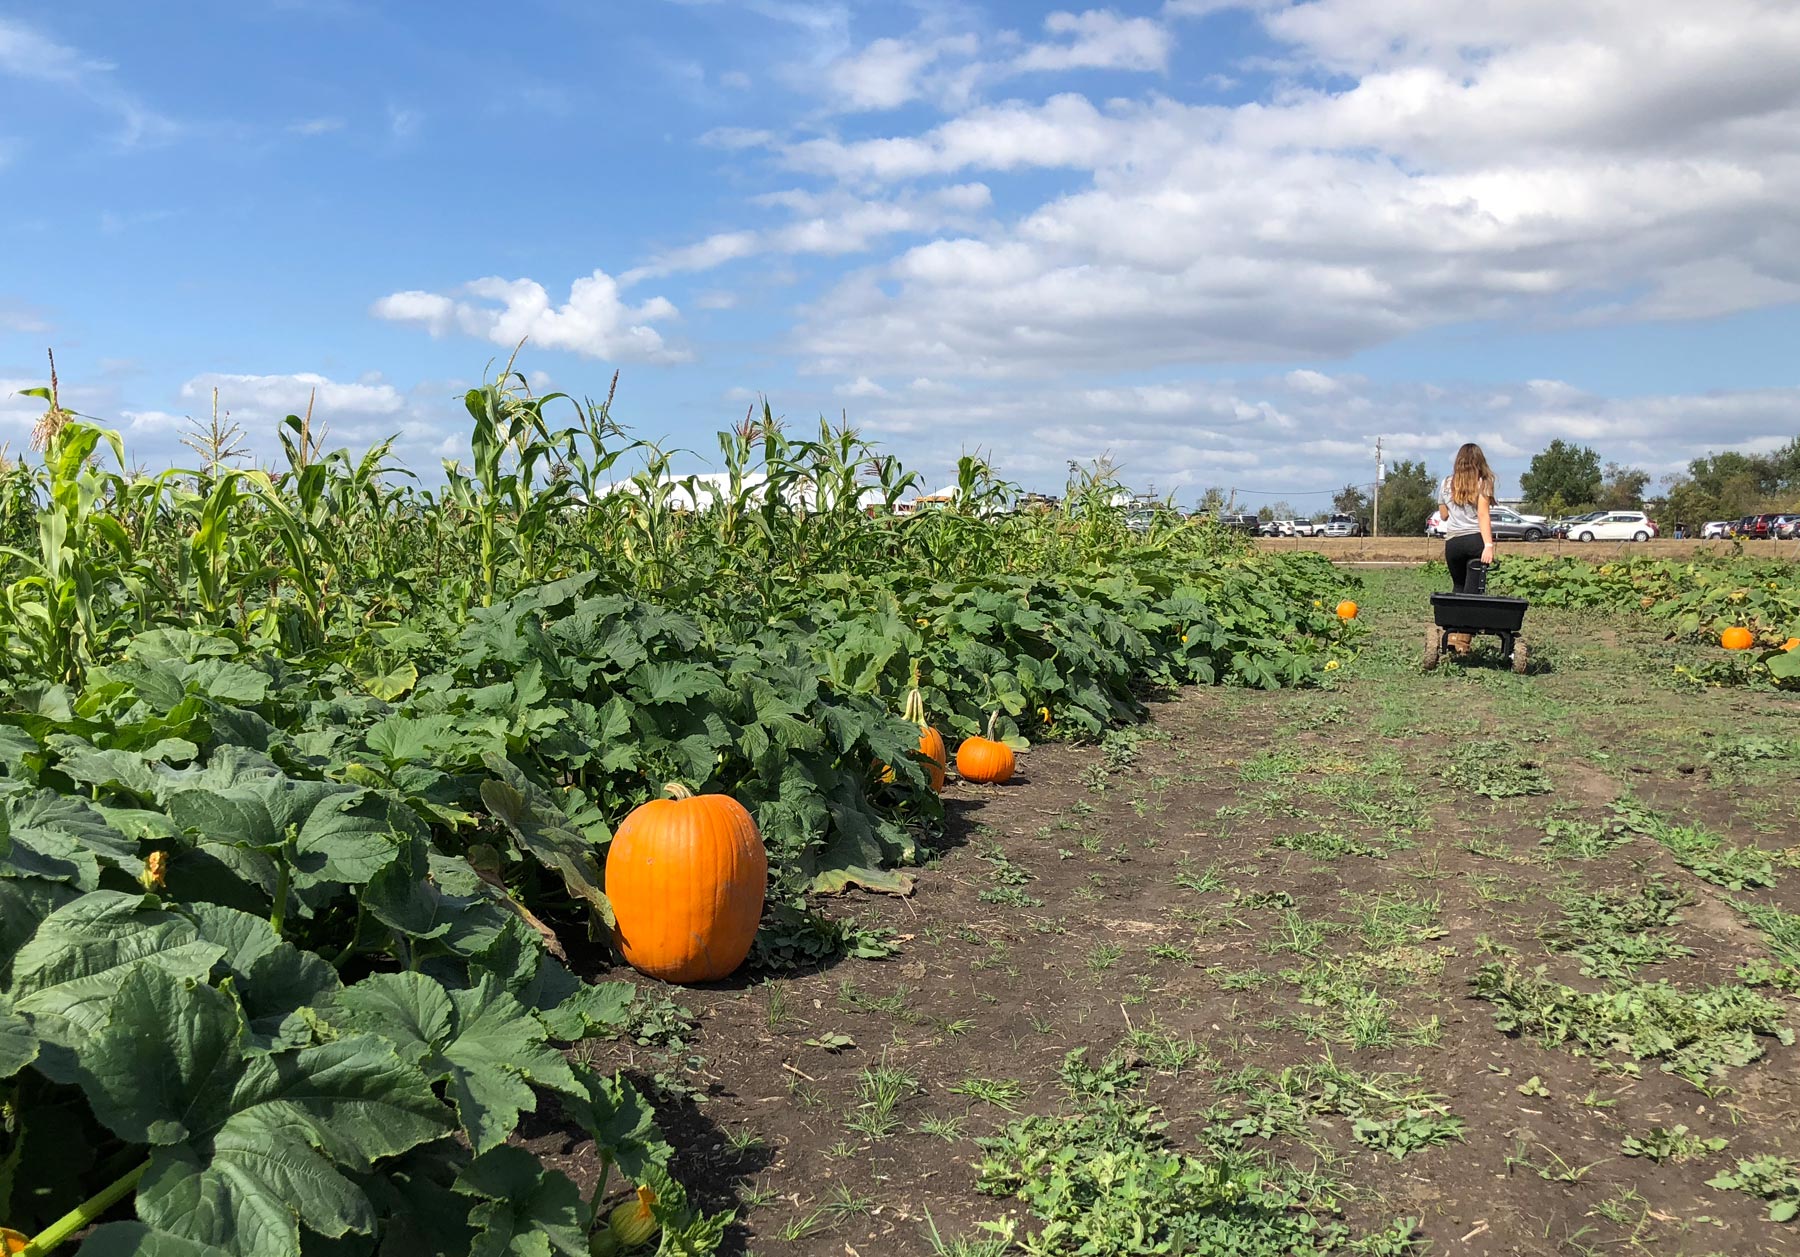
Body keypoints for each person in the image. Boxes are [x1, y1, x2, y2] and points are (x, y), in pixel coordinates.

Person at [1438, 443, 1496, 655]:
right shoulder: (1483, 483)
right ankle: (1462, 642)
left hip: (1453, 543)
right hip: (1474, 541)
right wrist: (1488, 545)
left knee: (1458, 588)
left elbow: (1443, 515)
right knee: (1473, 594)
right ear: (1479, 461)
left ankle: (1452, 636)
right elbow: (1483, 515)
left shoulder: (1445, 483)